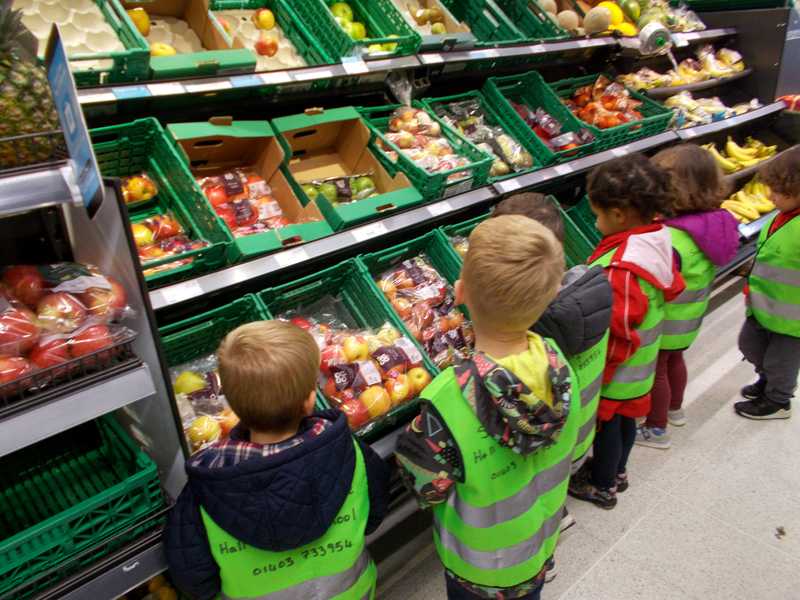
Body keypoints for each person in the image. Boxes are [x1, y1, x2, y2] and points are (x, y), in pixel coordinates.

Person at [396, 215, 580, 600]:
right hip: (537, 544)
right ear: (551, 295)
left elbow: (426, 485)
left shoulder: (447, 399)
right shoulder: (559, 366)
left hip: (476, 568)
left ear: (459, 292)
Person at [164, 320, 390, 600]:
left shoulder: (206, 487)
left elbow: (193, 576)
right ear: (310, 400)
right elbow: (375, 511)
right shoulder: (351, 452)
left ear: (231, 406)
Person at [569, 155, 685, 510]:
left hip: (619, 370)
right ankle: (619, 471)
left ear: (618, 215)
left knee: (607, 428)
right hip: (643, 365)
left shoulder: (623, 269)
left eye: (597, 214)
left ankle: (602, 485)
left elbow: (618, 328)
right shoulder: (658, 238)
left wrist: (601, 377)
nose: (595, 221)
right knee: (626, 423)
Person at [493, 192, 612, 526]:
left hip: (549, 449)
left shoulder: (538, 331)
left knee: (537, 496)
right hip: (581, 429)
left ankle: (553, 522)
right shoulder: (591, 290)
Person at [634, 145, 739, 449]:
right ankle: (675, 409)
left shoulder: (672, 238)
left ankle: (656, 428)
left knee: (656, 371)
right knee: (675, 361)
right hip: (689, 318)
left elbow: (656, 283)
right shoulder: (715, 224)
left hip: (666, 320)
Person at [735, 146, 800, 419]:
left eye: (778, 191)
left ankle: (778, 400)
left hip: (792, 316)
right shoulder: (782, 216)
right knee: (749, 343)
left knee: (782, 359)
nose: (770, 196)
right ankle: (768, 379)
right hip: (765, 302)